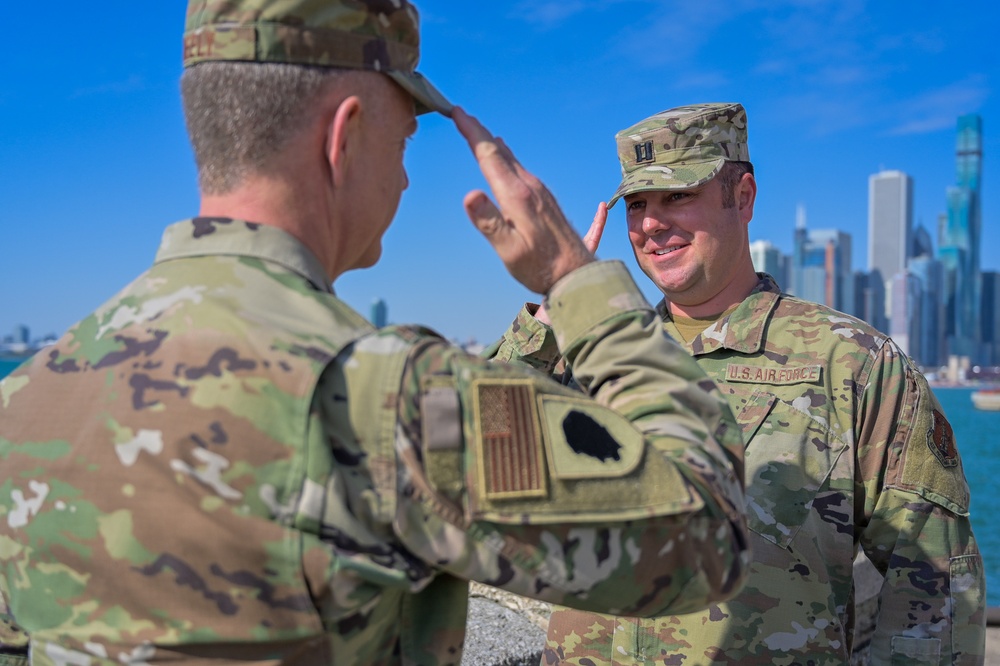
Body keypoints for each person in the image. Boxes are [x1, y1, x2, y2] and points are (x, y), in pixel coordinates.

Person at [0, 5, 753, 664]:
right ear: (345, 137)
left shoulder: (28, 396)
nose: (403, 181)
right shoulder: (389, 393)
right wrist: (576, 282)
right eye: (401, 145)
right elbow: (703, 535)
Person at [491, 103, 986, 665]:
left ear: (743, 197)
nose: (652, 223)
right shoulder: (585, 356)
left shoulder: (852, 363)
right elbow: (468, 473)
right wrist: (553, 314)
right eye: (637, 204)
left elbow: (935, 581)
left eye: (677, 195)